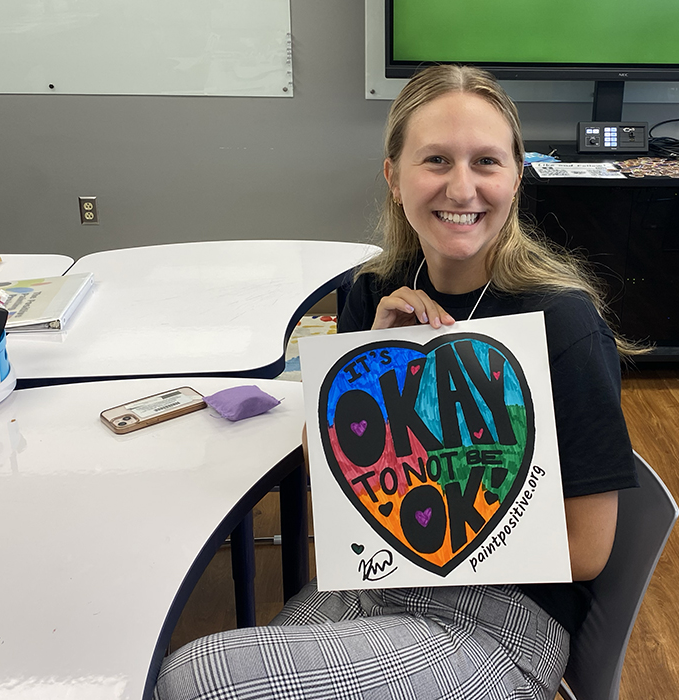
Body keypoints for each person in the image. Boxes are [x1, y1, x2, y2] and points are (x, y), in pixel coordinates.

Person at [154, 64, 637, 700]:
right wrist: (372, 360)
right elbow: (328, 476)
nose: (462, 188)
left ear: (517, 177)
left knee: (195, 678)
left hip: (504, 621)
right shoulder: (375, 293)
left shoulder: (561, 323)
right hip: (376, 581)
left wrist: (453, 544)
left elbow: (589, 549)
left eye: (487, 162)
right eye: (436, 159)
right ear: (393, 175)